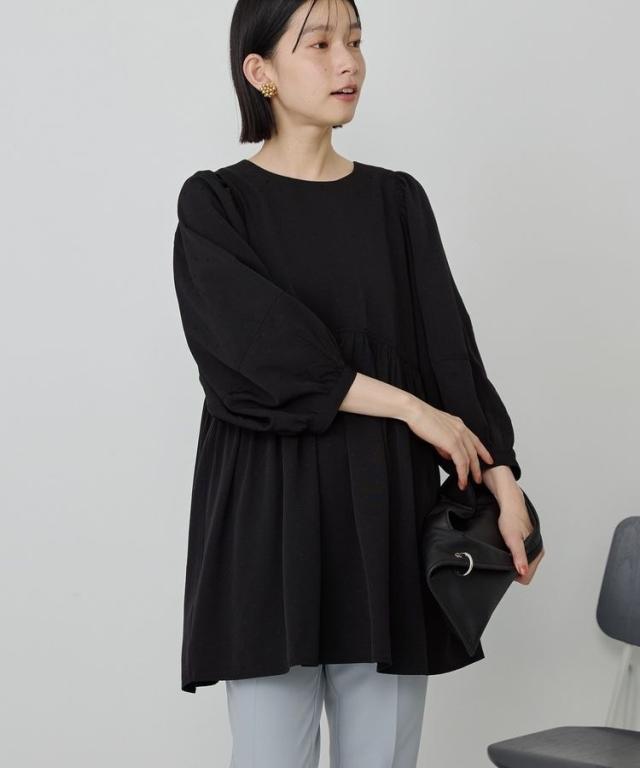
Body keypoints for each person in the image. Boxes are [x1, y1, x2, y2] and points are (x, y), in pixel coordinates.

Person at [172, 0, 545, 766]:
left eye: (355, 41)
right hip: (268, 521)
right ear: (260, 71)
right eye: (319, 44)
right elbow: (257, 354)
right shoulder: (216, 204)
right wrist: (409, 408)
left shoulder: (396, 202)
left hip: (386, 520)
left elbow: (451, 356)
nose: (348, 62)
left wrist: (504, 483)